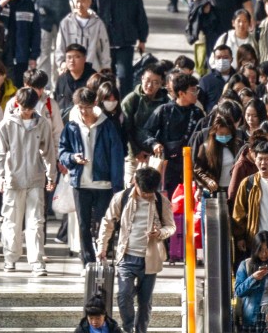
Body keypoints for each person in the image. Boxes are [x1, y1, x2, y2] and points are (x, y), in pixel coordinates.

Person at [95, 166, 176, 333]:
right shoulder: (122, 198)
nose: (147, 195)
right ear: (135, 183)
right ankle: (128, 328)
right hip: (126, 256)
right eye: (143, 191)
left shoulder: (161, 201)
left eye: (150, 192)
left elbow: (171, 227)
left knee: (145, 302)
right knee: (124, 296)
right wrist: (102, 247)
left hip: (151, 259)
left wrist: (160, 233)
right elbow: (107, 222)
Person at [0, 87, 57, 276]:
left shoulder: (42, 123)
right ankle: (10, 259)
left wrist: (51, 176)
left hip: (36, 178)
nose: (27, 111)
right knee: (12, 221)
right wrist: (1, 177)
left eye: (30, 108)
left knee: (36, 222)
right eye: (24, 107)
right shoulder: (7, 124)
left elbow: (49, 151)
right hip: (13, 180)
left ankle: (36, 261)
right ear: (17, 104)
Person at [59, 87, 125, 267]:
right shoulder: (71, 127)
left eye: (87, 107)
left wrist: (117, 187)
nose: (83, 111)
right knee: (83, 225)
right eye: (80, 107)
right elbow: (62, 151)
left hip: (103, 184)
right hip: (80, 183)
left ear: (94, 104)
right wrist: (73, 158)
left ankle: (102, 256)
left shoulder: (107, 126)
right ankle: (87, 262)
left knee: (104, 224)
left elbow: (116, 157)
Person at [92, 0, 149, 99]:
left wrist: (142, 38)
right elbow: (93, 15)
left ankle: (125, 110)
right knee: (104, 81)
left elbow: (140, 13)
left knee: (125, 79)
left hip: (125, 41)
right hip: (103, 43)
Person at [143, 73, 205, 196]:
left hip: (191, 165)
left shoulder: (198, 113)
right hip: (168, 166)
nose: (196, 93)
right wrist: (154, 144)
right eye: (193, 90)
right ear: (181, 93)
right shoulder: (164, 110)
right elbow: (146, 132)